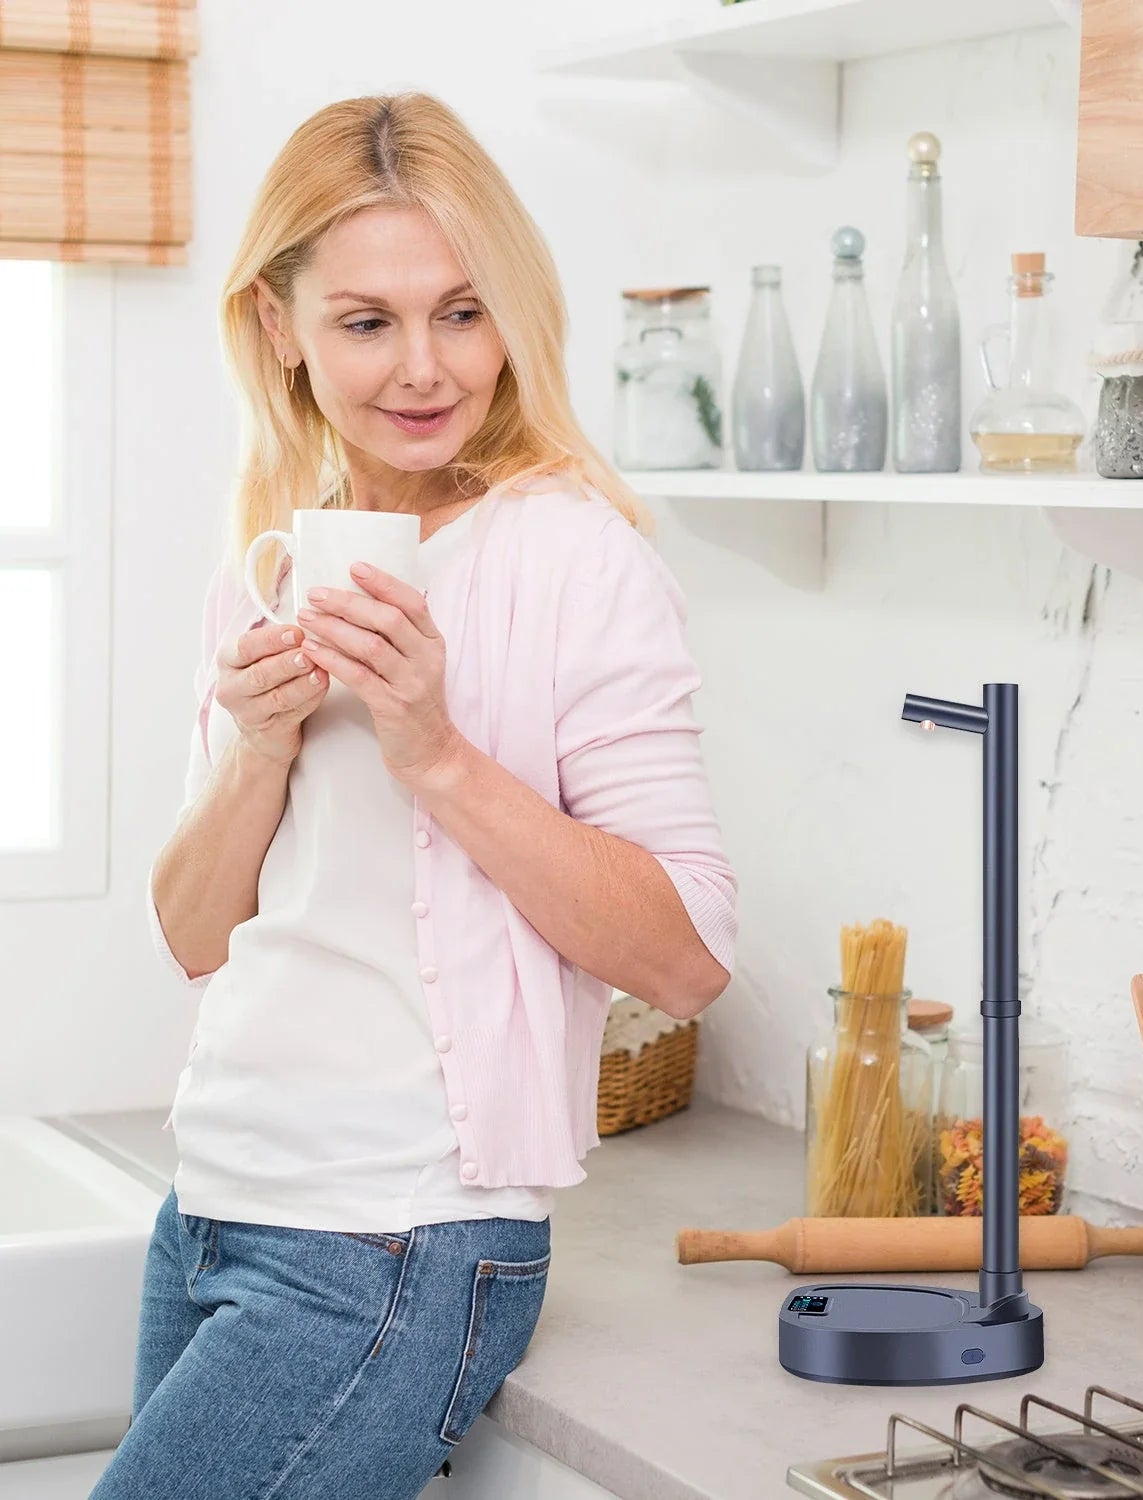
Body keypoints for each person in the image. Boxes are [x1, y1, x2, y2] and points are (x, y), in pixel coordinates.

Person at [91, 91, 737, 1500]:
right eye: (367, 321)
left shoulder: (575, 559)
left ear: (512, 316)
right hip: (212, 1204)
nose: (425, 367)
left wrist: (436, 751)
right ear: (280, 326)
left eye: (461, 310)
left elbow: (686, 956)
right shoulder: (269, 564)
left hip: (396, 1241)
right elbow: (196, 935)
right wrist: (260, 750)